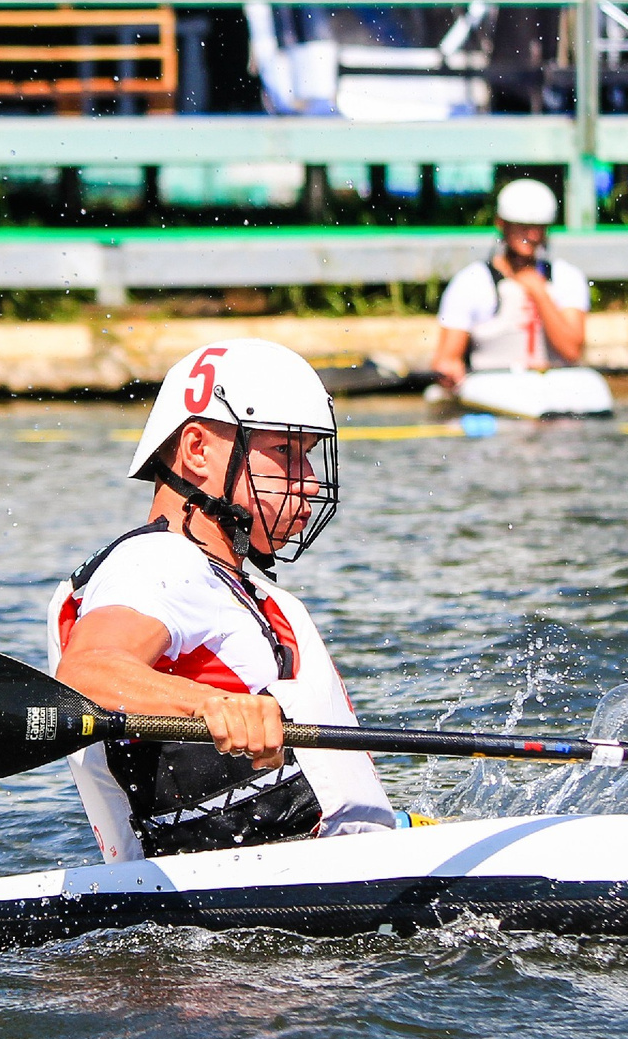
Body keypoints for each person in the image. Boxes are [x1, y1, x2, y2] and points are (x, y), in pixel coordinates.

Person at [49, 338, 396, 861]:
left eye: (308, 456)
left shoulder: (229, 583)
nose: (306, 483)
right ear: (197, 450)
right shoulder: (161, 562)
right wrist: (212, 706)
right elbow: (87, 673)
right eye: (284, 453)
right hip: (241, 914)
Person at [431, 178, 591, 389]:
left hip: (553, 390)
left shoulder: (567, 277)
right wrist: (449, 370)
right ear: (501, 224)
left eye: (539, 227)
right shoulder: (471, 282)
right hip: (493, 391)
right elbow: (446, 359)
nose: (532, 236)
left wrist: (538, 291)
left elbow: (571, 351)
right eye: (523, 227)